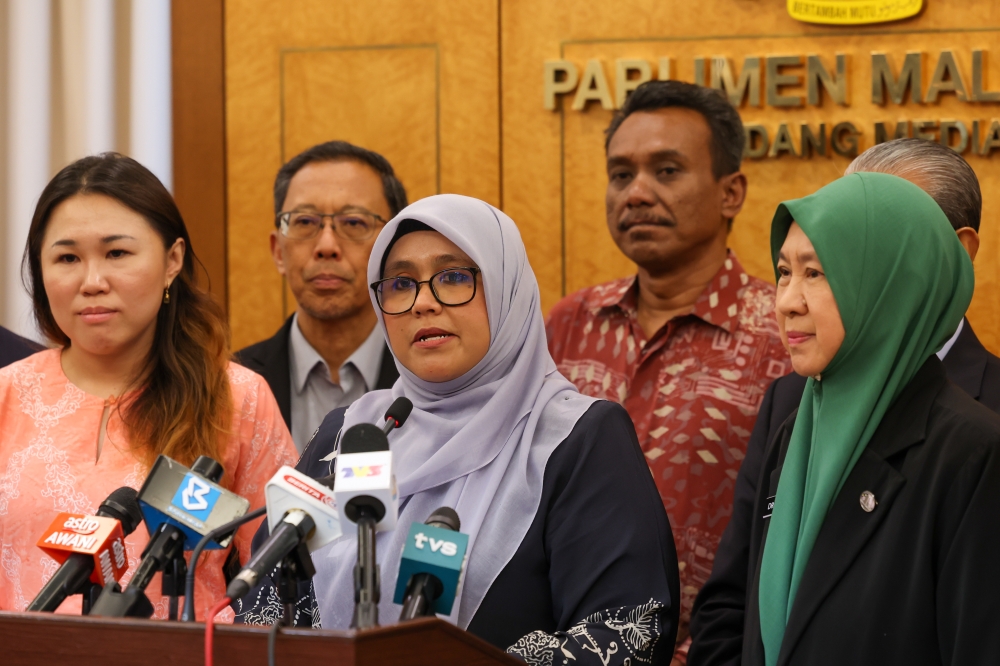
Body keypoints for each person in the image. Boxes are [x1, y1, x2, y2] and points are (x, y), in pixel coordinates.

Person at [234, 194, 681, 665]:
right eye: (401, 284)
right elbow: (265, 601)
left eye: (453, 277)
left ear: (506, 289)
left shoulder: (576, 439)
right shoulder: (352, 436)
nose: (423, 303)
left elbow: (626, 633)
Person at [689, 138, 1000, 666]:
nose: (786, 302)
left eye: (816, 272)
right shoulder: (794, 424)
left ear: (890, 279)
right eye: (784, 272)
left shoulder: (975, 449)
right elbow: (733, 612)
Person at [545, 79, 789, 649]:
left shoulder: (784, 334)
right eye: (621, 174)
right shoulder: (570, 324)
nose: (636, 193)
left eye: (667, 171)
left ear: (731, 193)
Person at [0, 153, 298, 621]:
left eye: (117, 253)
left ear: (172, 260)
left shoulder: (238, 399)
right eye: (67, 258)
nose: (92, 281)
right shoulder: (7, 393)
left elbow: (288, 578)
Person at [235, 141, 405, 452]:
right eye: (304, 222)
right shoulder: (229, 385)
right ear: (278, 251)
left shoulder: (433, 381)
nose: (327, 246)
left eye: (353, 223)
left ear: (393, 250)